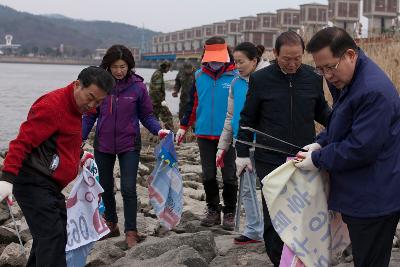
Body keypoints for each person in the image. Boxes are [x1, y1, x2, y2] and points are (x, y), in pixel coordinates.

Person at [296, 27, 400, 267]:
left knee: (370, 261)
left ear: (350, 55)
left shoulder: (373, 90)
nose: (327, 75)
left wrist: (320, 158)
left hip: (375, 196)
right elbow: (341, 124)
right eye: (320, 69)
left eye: (330, 67)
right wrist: (319, 142)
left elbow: (360, 148)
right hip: (362, 191)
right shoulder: (348, 80)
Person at [0, 66, 114, 267]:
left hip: (50, 184)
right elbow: (22, 142)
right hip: (32, 181)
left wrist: (79, 156)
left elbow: (61, 141)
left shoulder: (78, 108)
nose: (93, 105)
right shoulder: (52, 105)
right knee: (52, 237)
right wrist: (7, 179)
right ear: (77, 84)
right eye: (90, 97)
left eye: (99, 101)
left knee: (56, 232)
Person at [235, 31, 331, 266]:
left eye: (298, 58)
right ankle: (279, 261)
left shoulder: (313, 77)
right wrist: (241, 154)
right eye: (287, 58)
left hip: (304, 160)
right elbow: (247, 119)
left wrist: (344, 126)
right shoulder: (260, 80)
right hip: (270, 161)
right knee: (275, 219)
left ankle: (302, 260)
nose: (292, 64)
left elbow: (322, 113)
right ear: (275, 54)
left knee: (303, 216)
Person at [82, 45, 169, 248]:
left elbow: (146, 115)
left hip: (129, 144)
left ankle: (131, 231)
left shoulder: (138, 87)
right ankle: (111, 224)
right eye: (115, 66)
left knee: (129, 188)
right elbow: (89, 115)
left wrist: (159, 130)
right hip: (102, 144)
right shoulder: (100, 85)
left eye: (123, 66)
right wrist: (80, 138)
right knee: (104, 187)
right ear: (108, 66)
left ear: (129, 66)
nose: (119, 71)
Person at [175, 36, 238, 230]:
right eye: (212, 57)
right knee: (208, 174)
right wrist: (184, 126)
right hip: (204, 133)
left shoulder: (236, 77)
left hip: (228, 136)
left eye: (219, 58)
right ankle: (212, 209)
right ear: (205, 55)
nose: (215, 62)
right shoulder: (198, 76)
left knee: (229, 175)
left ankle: (229, 212)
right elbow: (192, 104)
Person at [217, 42, 269, 244]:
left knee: (268, 188)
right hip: (242, 144)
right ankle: (254, 230)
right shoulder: (235, 83)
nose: (237, 66)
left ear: (254, 60)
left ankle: (272, 231)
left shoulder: (268, 79)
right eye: (235, 61)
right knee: (246, 189)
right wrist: (223, 146)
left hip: (265, 144)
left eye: (241, 62)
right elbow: (230, 117)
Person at [149, 61, 174, 130]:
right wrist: (162, 101)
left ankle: (155, 135)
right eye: (168, 68)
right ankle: (170, 134)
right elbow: (156, 90)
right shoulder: (158, 75)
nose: (168, 70)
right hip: (157, 102)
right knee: (168, 117)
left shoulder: (158, 73)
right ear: (165, 67)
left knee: (154, 119)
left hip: (153, 101)